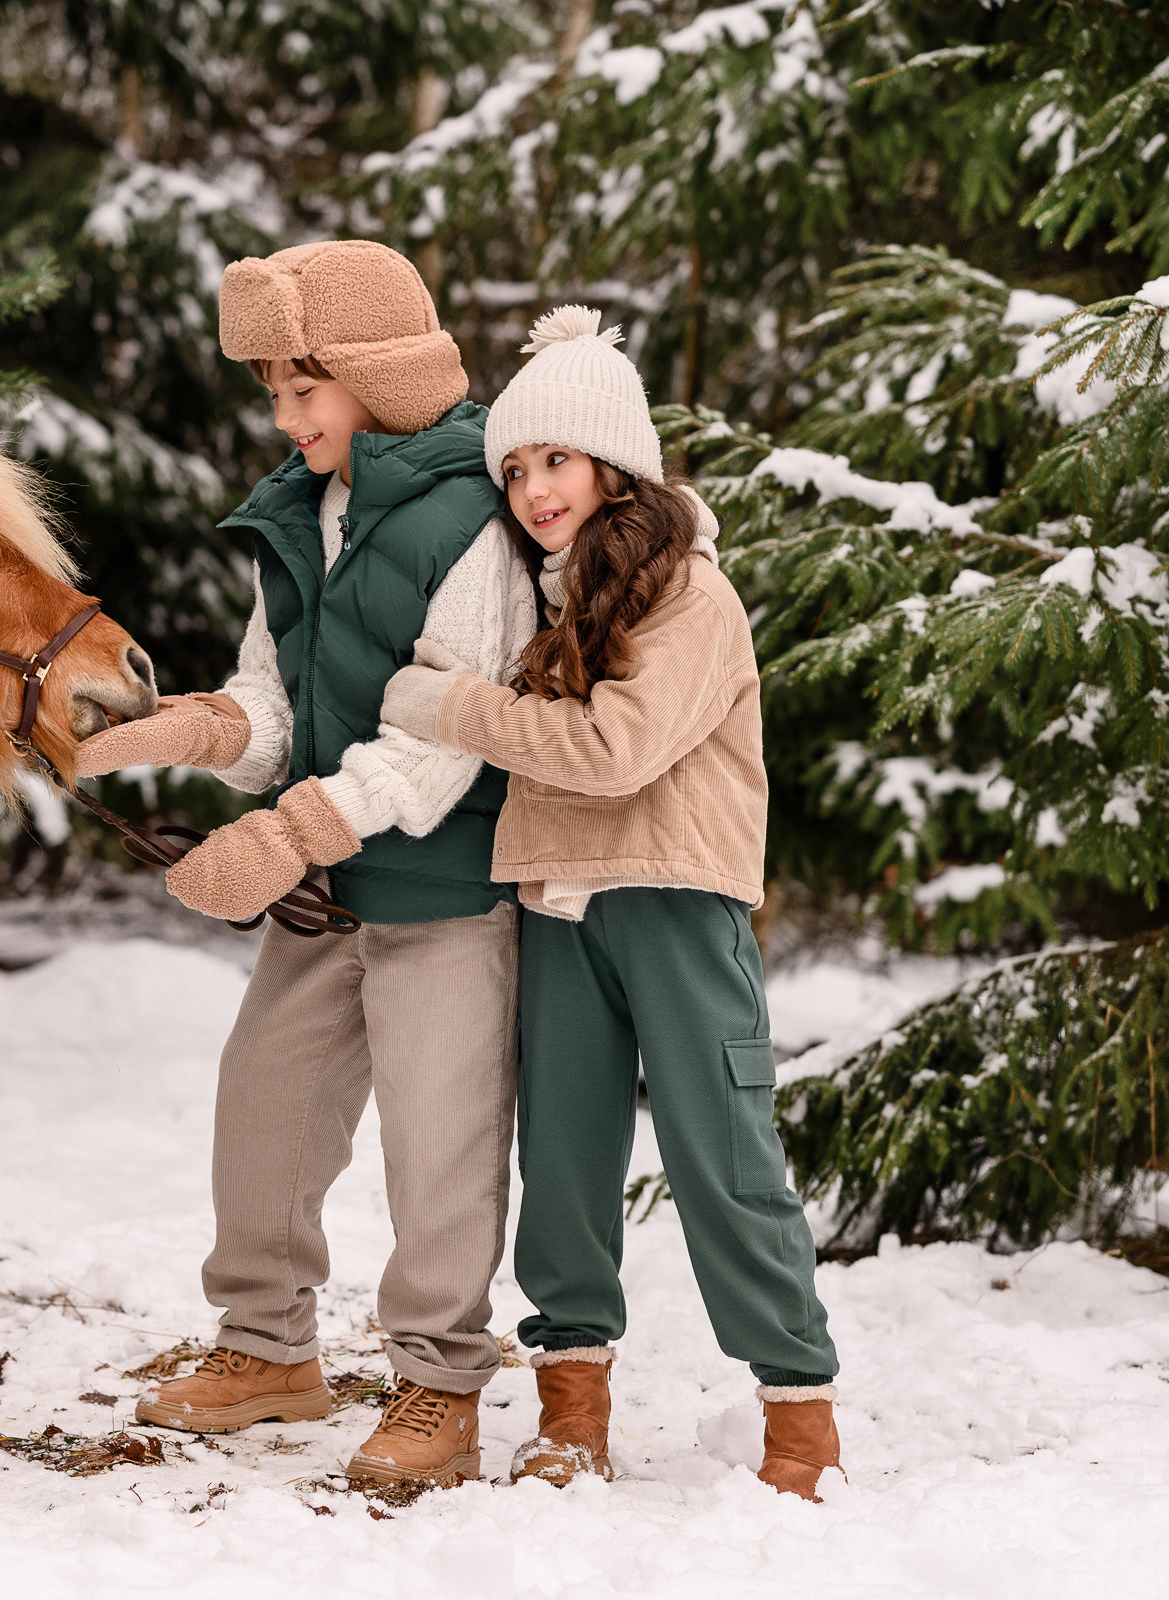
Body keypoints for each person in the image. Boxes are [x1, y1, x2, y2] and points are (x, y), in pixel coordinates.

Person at [76, 240, 537, 1492]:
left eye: (302, 390)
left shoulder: (475, 518)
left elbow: (439, 741)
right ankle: (269, 1347)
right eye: (273, 393)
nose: (284, 419)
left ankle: (440, 1385)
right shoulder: (306, 511)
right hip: (325, 899)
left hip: (445, 893)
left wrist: (282, 833)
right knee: (264, 1104)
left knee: (438, 1146)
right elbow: (269, 699)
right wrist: (181, 735)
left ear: (377, 375)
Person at [381, 305, 844, 1500]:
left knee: (720, 1153)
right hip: (556, 901)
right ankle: (569, 1407)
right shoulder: (541, 597)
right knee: (567, 1161)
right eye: (518, 468)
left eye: (557, 462)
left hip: (677, 898)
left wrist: (456, 710)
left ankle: (799, 1419)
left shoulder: (690, 594)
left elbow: (617, 750)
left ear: (615, 463)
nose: (535, 488)